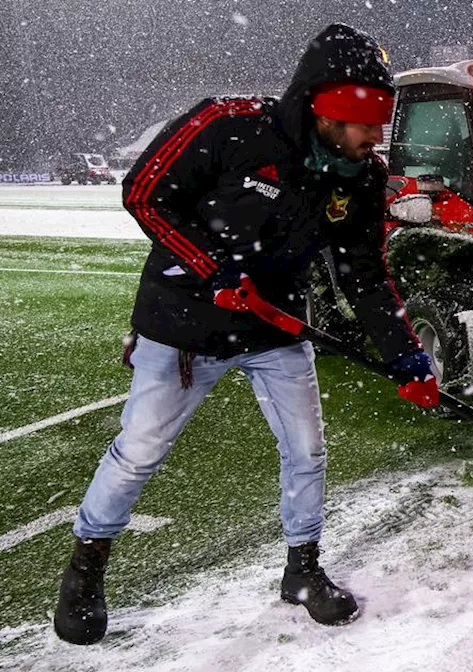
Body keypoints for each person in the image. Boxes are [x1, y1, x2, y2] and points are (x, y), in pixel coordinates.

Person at [52, 24, 440, 645]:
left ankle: (303, 571)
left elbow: (364, 278)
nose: (376, 136)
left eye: (379, 123)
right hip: (184, 327)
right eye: (364, 122)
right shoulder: (228, 127)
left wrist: (407, 357)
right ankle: (84, 571)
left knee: (307, 451)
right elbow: (145, 195)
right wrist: (212, 268)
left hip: (274, 327)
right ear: (324, 109)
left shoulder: (361, 178)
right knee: (138, 453)